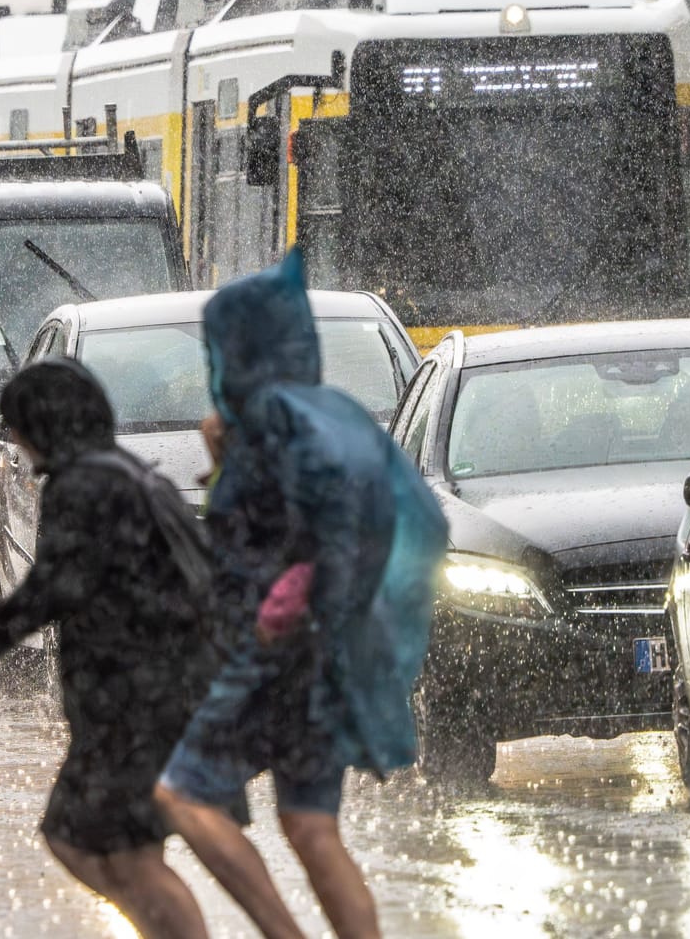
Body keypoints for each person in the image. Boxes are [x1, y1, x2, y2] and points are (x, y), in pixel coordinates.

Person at [152, 248, 447, 939]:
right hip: (325, 660)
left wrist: (286, 606)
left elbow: (292, 532)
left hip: (272, 655)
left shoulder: (273, 422)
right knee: (311, 827)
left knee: (182, 794)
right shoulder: (329, 412)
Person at [0, 359, 216, 938]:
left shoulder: (83, 486)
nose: (17, 443)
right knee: (134, 851)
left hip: (137, 703)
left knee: (76, 837)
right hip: (164, 694)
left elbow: (45, 596)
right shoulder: (124, 472)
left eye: (20, 426)